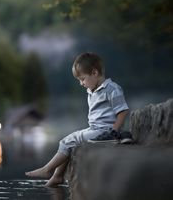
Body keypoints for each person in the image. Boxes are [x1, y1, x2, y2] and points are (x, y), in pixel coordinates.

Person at [25, 52, 130, 187]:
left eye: (82, 79)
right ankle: (57, 176)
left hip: (105, 131)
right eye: (79, 80)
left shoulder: (112, 89)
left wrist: (114, 130)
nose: (81, 83)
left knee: (68, 141)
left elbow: (123, 111)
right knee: (68, 143)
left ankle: (47, 170)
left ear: (94, 73)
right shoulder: (92, 90)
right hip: (95, 129)